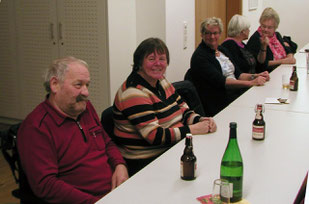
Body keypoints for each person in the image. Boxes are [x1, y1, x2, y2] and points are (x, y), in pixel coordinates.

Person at [17, 56, 128, 203]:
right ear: (55, 84)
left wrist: (120, 165)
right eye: (78, 85)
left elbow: (107, 143)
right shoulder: (36, 128)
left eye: (87, 85)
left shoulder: (86, 108)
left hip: (114, 193)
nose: (86, 92)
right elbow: (46, 185)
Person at [113, 38, 217, 176]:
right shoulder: (132, 93)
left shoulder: (161, 80)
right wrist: (193, 129)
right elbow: (154, 136)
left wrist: (201, 120)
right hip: (147, 162)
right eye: (151, 59)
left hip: (171, 149)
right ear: (139, 63)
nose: (158, 63)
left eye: (162, 59)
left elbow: (182, 109)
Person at [190, 17, 269, 117]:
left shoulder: (222, 49)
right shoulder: (200, 57)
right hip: (220, 102)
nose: (212, 36)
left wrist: (257, 75)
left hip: (235, 94)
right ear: (202, 35)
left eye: (215, 33)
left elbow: (239, 74)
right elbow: (223, 82)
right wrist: (251, 83)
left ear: (220, 34)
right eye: (208, 33)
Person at [247, 7, 296, 72]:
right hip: (267, 74)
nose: (266, 30)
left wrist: (290, 56)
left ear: (275, 27)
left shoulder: (277, 35)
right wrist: (283, 61)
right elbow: (261, 64)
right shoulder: (256, 38)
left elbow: (287, 50)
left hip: (281, 70)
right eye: (263, 26)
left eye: (269, 27)